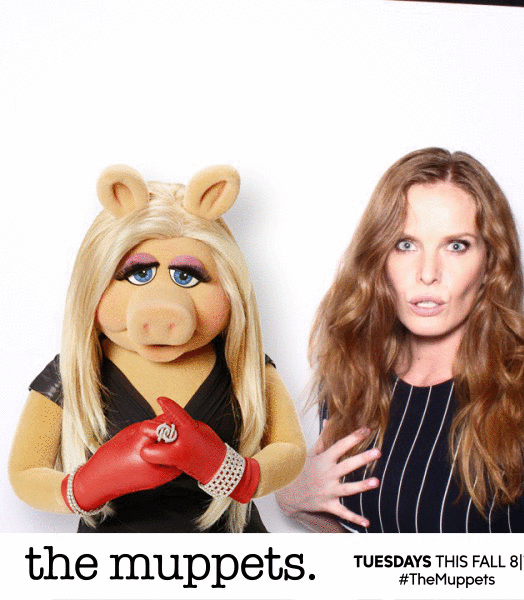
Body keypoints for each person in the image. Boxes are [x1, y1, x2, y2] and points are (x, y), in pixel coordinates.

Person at [276, 148, 524, 533]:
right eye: (405, 244)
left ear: (491, 265)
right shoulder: (355, 384)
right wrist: (293, 500)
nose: (428, 272)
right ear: (378, 258)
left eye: (456, 245)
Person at [9, 164, 306, 533]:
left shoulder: (244, 367)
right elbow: (24, 472)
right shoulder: (74, 370)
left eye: (187, 276)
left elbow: (290, 449)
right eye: (139, 274)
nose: (164, 306)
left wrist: (236, 474)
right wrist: (84, 487)